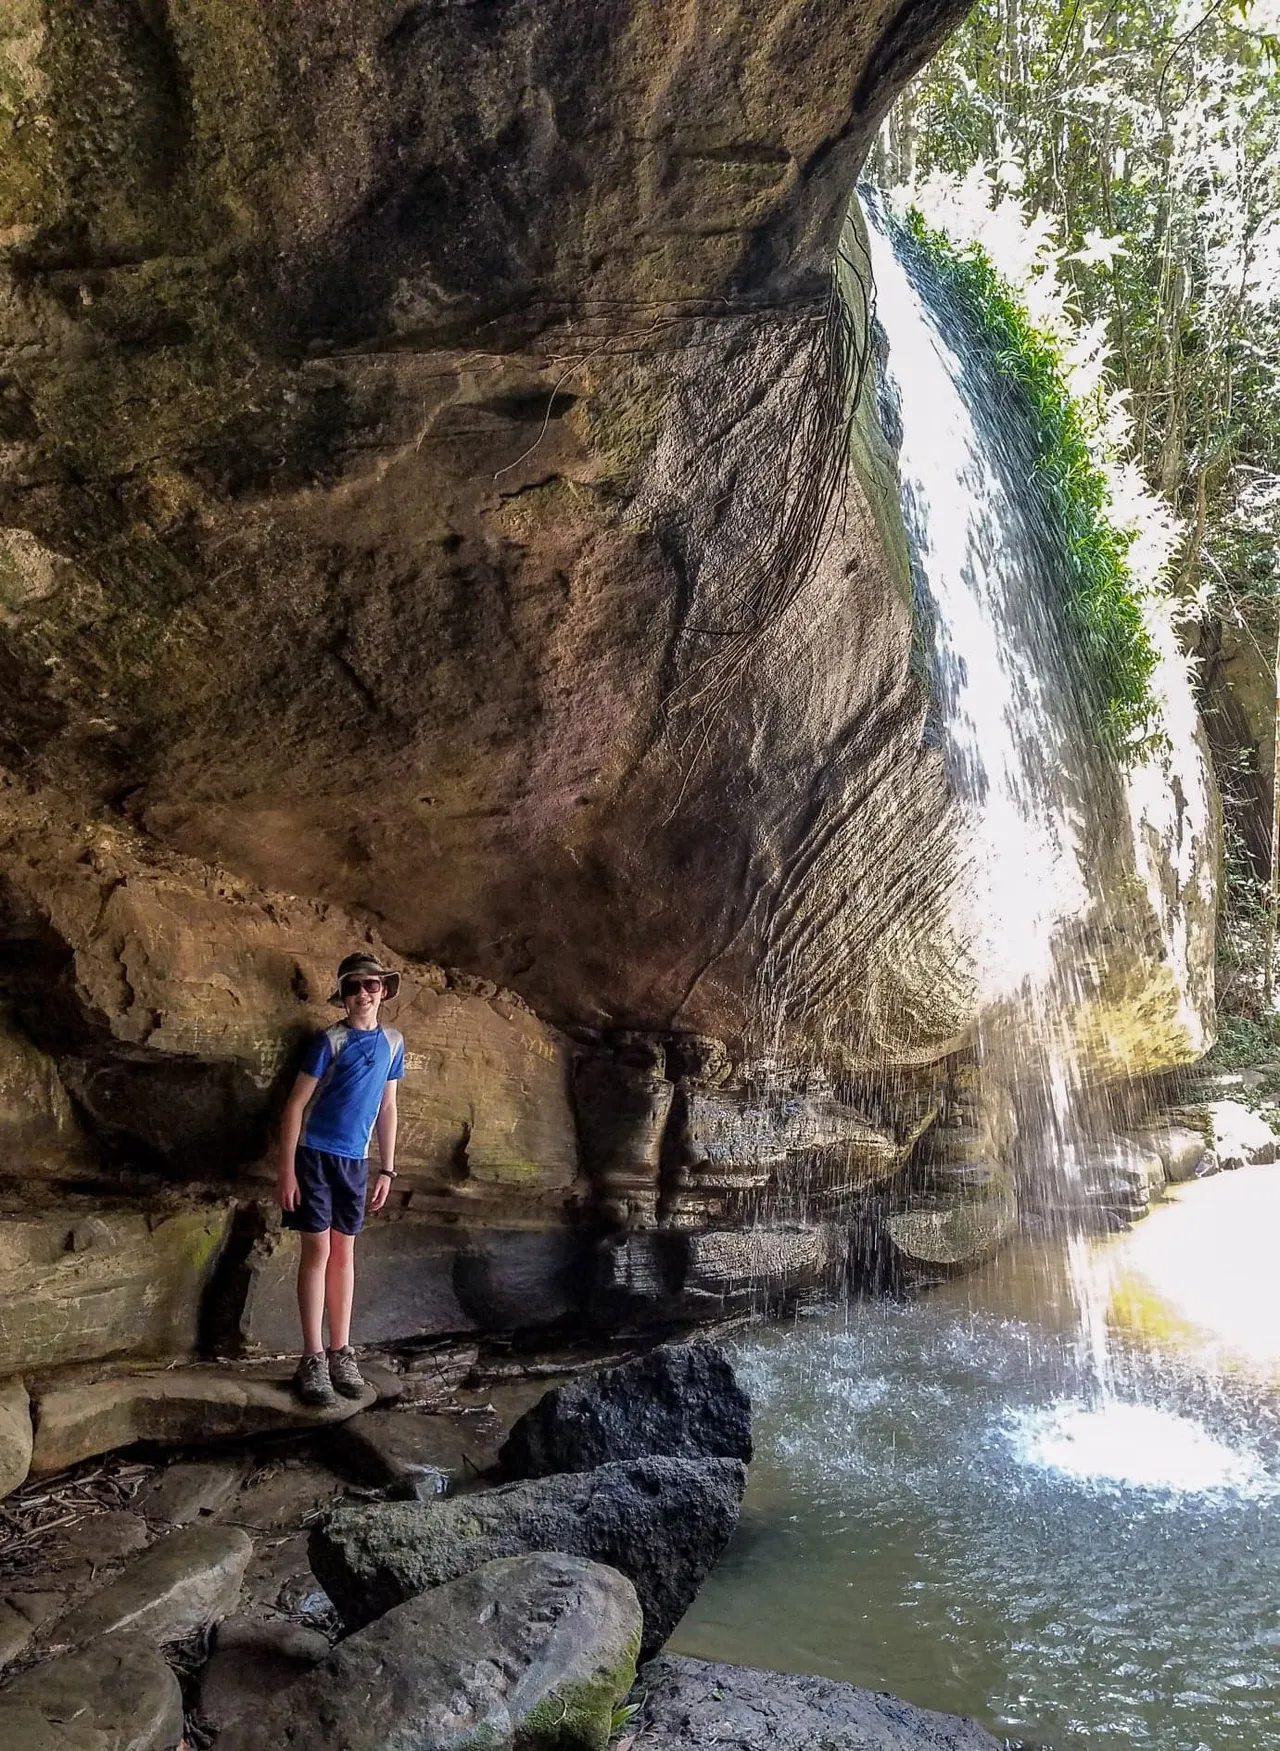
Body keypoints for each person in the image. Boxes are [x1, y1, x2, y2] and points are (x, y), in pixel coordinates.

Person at [275, 952, 405, 1406]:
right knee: (319, 1249)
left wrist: (386, 1167)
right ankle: (312, 1357)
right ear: (343, 996)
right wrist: (286, 1170)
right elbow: (294, 1106)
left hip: (356, 1162)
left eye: (371, 985)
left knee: (344, 1252)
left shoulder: (393, 1042)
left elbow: (387, 1108)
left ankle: (340, 1352)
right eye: (353, 987)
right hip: (315, 1157)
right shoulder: (329, 1041)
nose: (363, 994)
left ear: (384, 990)